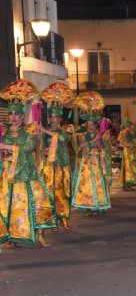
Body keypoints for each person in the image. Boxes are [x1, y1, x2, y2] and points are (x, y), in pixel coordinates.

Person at [0, 80, 58, 246]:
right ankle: (10, 238)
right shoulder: (4, 133)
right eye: (11, 115)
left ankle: (40, 235)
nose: (13, 118)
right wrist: (4, 150)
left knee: (38, 204)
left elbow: (28, 147)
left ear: (22, 116)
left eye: (17, 115)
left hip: (28, 174)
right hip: (9, 176)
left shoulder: (29, 131)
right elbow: (3, 153)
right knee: (9, 207)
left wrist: (7, 147)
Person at [39, 82, 75, 230]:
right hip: (48, 166)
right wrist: (43, 150)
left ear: (60, 119)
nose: (53, 120)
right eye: (51, 117)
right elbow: (41, 147)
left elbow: (59, 138)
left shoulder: (65, 131)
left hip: (61, 165)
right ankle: (52, 219)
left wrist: (43, 130)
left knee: (62, 192)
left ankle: (64, 218)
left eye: (56, 118)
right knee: (49, 192)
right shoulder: (45, 131)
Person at [72, 92, 111, 216]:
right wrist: (95, 140)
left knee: (99, 184)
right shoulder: (82, 136)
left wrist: (101, 145)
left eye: (92, 125)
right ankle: (87, 207)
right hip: (87, 163)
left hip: (98, 163)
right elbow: (83, 148)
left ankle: (98, 205)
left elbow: (106, 148)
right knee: (86, 185)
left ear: (96, 125)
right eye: (88, 124)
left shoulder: (103, 135)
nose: (90, 127)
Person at [117, 119, 136, 190]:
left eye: (130, 127)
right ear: (126, 127)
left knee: (130, 168)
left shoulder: (130, 133)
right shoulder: (122, 133)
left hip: (131, 152)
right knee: (128, 169)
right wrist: (134, 144)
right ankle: (126, 185)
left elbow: (135, 140)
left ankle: (127, 185)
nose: (130, 128)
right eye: (129, 127)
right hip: (127, 153)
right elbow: (125, 144)